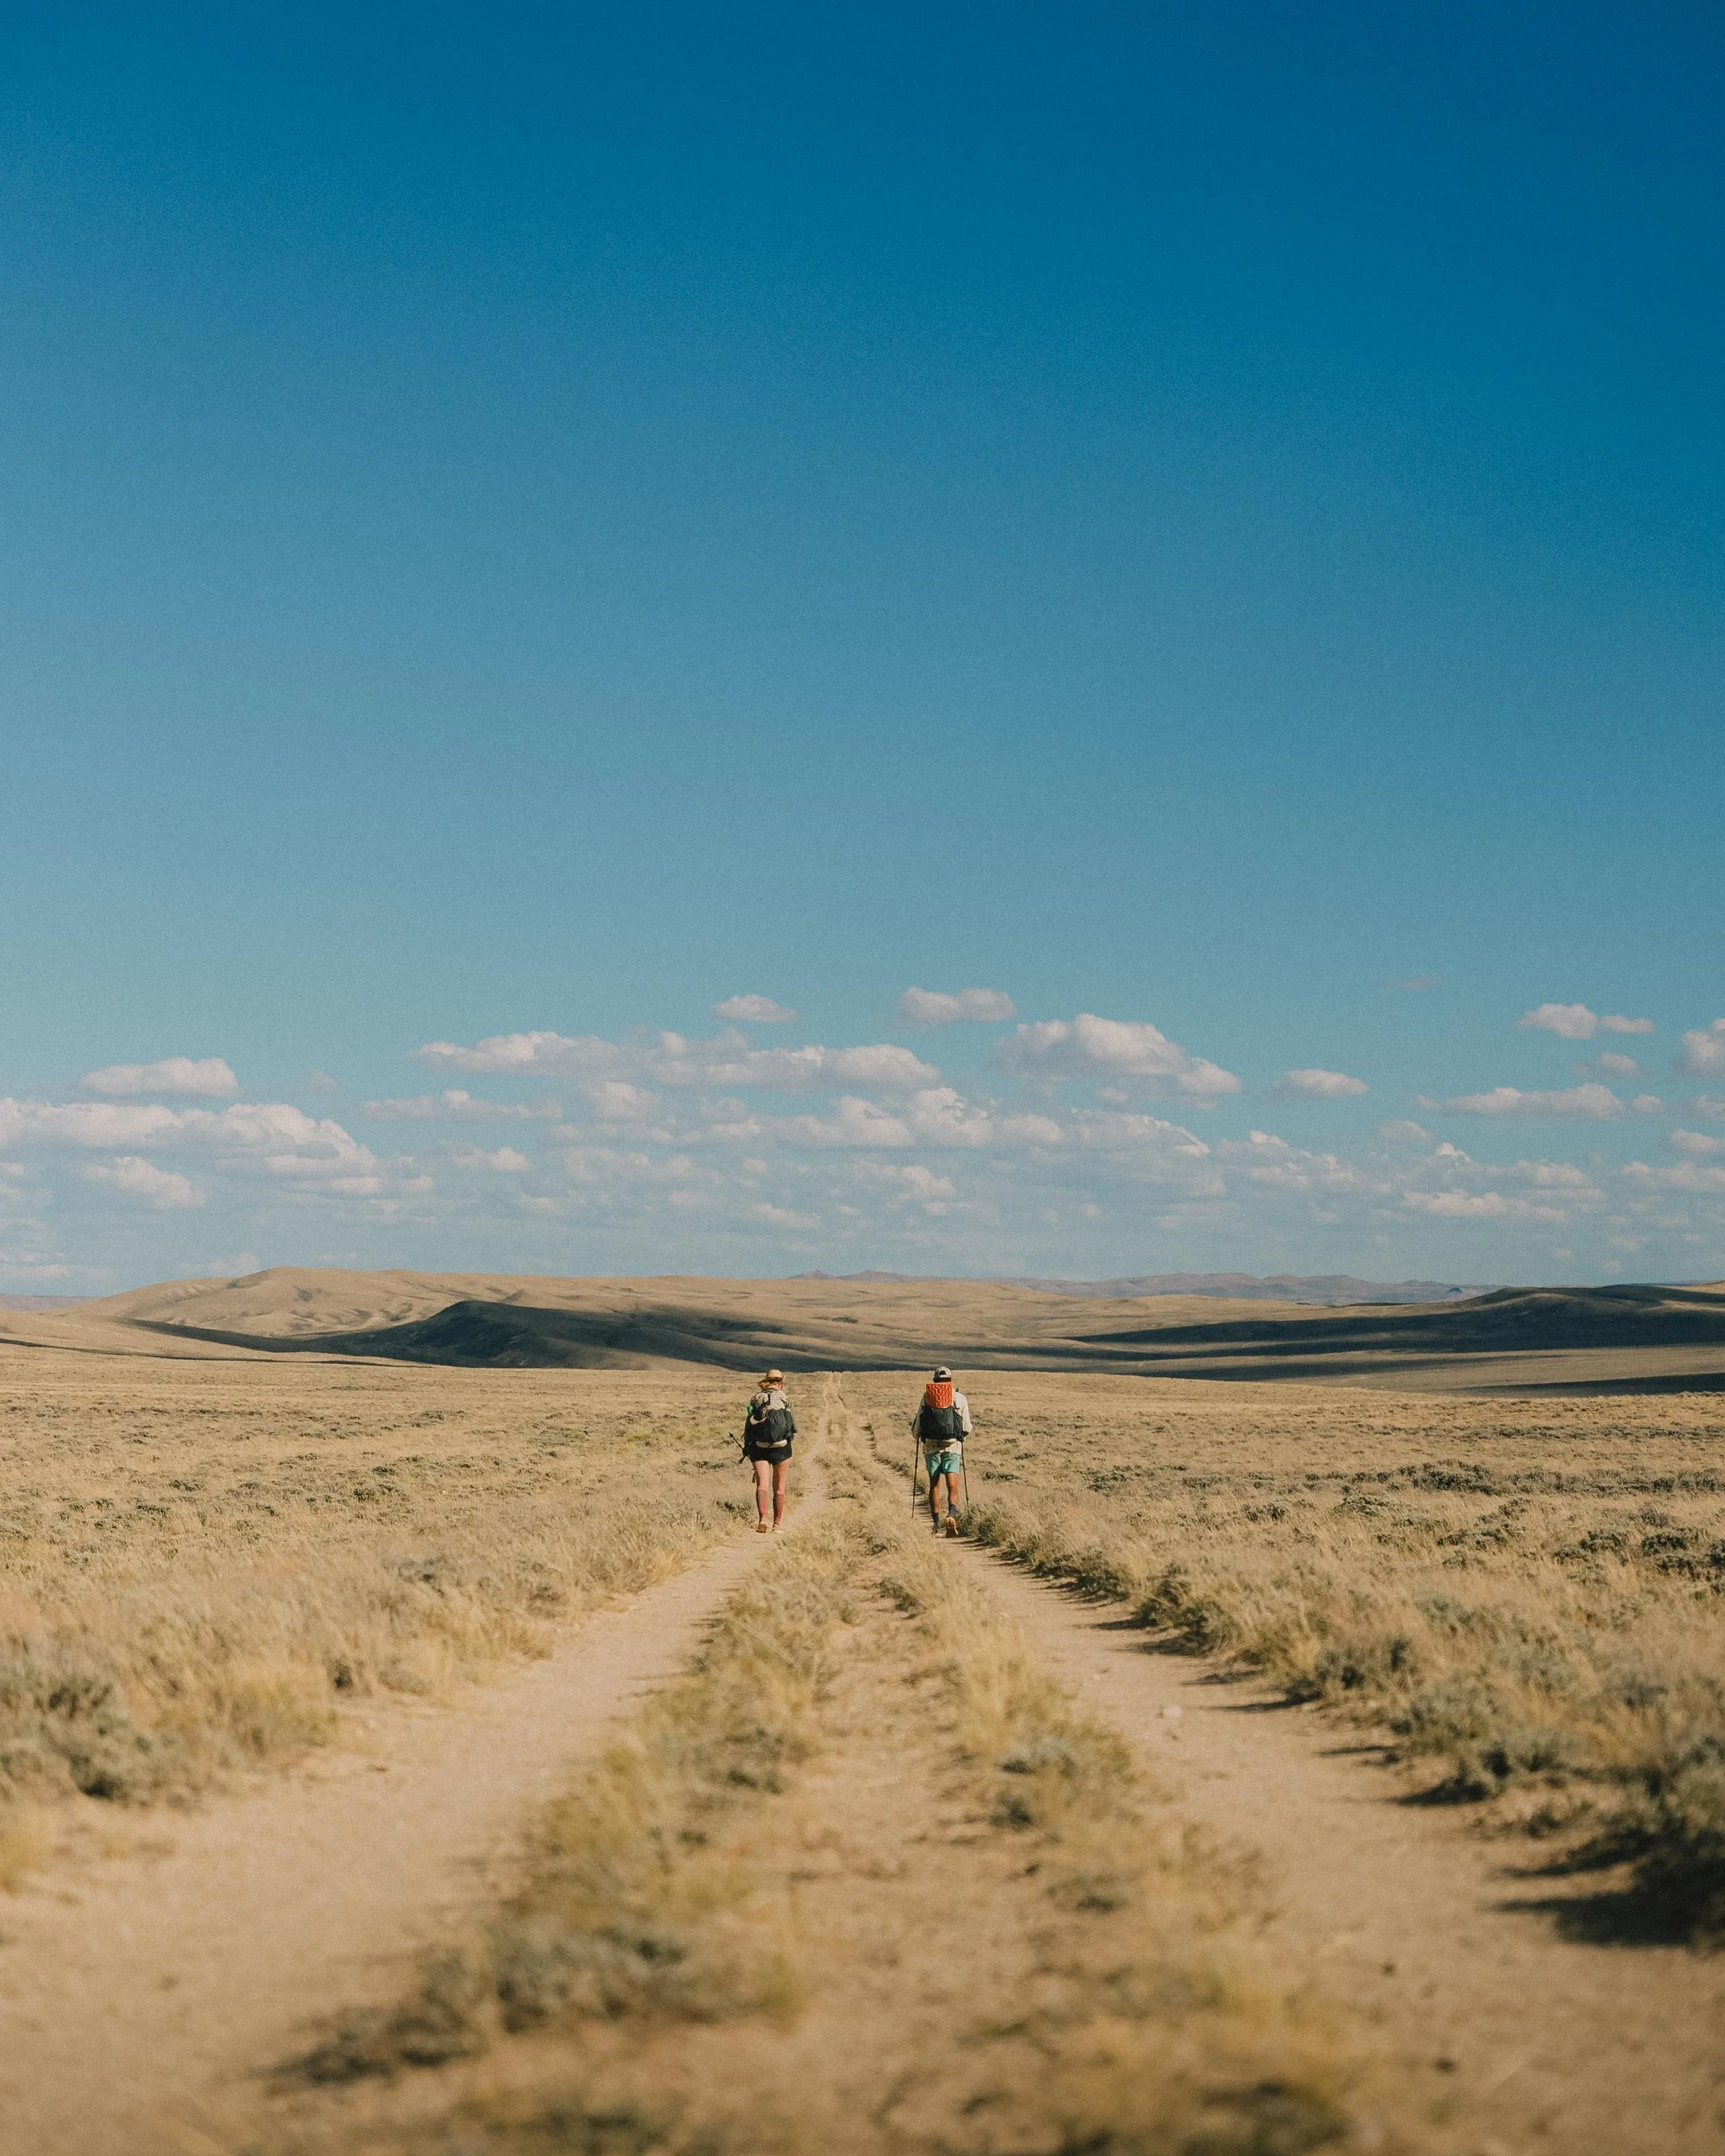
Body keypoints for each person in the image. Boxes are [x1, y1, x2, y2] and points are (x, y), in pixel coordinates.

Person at [913, 1365, 972, 1536]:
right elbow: (967, 1426)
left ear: (935, 1381)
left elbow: (918, 1426)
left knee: (934, 1485)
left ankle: (936, 1524)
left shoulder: (926, 1398)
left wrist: (917, 1436)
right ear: (950, 1380)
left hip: (931, 1447)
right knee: (952, 1486)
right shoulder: (960, 1398)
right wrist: (961, 1438)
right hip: (952, 1447)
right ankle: (952, 1515)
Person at [742, 1368, 796, 1532]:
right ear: (781, 1382)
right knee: (779, 1487)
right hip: (782, 1448)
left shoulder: (756, 1399)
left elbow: (749, 1425)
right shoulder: (786, 1399)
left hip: (760, 1447)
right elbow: (793, 1426)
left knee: (762, 1485)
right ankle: (777, 1524)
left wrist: (747, 1448)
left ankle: (762, 1520)